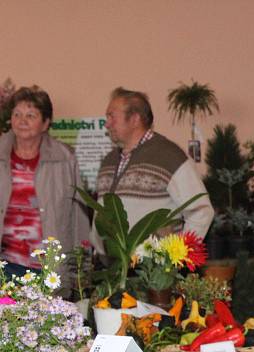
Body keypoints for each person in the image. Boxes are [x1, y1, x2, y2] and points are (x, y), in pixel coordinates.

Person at [91, 87, 213, 252]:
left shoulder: (169, 156)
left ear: (135, 119)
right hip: (112, 271)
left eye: (112, 116)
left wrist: (176, 256)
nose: (107, 124)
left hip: (151, 273)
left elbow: (201, 211)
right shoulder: (109, 161)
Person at [0, 86, 90, 279]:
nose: (22, 121)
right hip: (4, 266)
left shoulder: (65, 158)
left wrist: (80, 268)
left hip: (49, 268)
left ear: (45, 123)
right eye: (17, 114)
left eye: (31, 115)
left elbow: (78, 215)